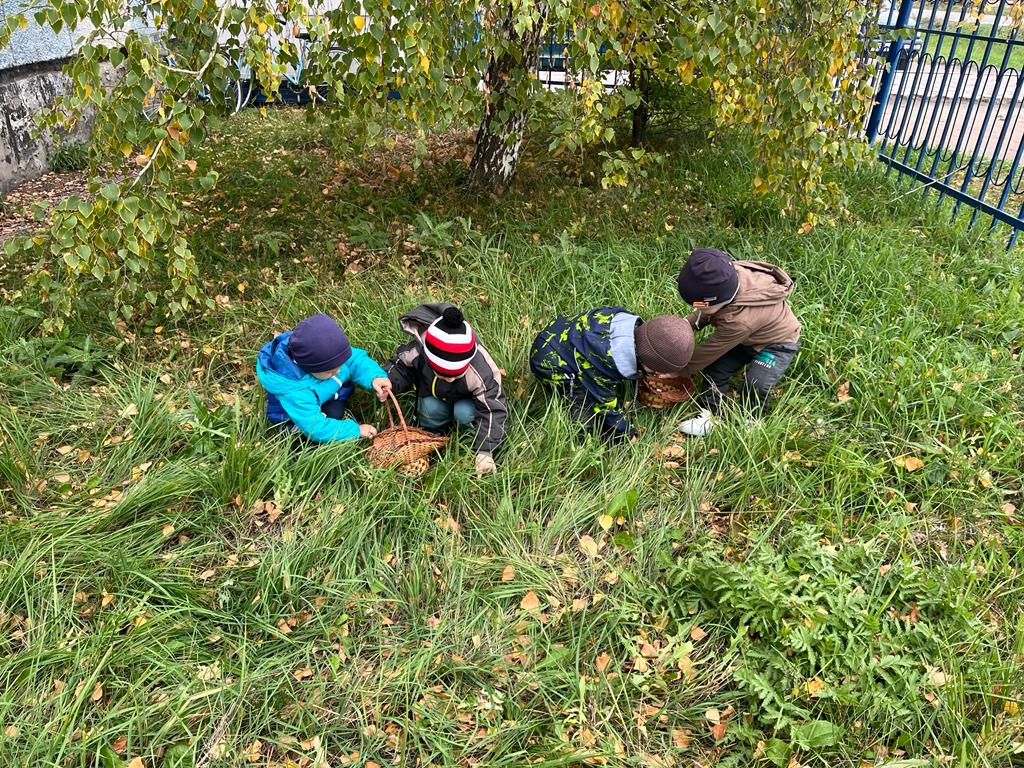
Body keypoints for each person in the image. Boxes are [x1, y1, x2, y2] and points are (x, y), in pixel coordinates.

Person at [675, 247, 801, 436]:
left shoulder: (739, 321)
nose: (697, 308)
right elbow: (706, 310)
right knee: (714, 370)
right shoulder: (726, 277)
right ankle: (710, 416)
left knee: (756, 384)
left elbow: (710, 351)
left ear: (719, 302)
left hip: (776, 344)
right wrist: (686, 324)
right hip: (745, 339)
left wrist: (678, 370)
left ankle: (752, 419)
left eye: (700, 306)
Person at [530, 308, 694, 442]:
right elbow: (605, 404)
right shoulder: (604, 363)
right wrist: (627, 433)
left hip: (562, 330)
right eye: (656, 371)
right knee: (583, 398)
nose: (658, 375)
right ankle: (580, 434)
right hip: (549, 361)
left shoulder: (629, 322)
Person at [385, 304, 507, 476]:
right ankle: (431, 437)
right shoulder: (420, 351)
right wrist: (389, 381)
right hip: (434, 396)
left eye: (456, 375)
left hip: (467, 402)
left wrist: (485, 450)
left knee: (463, 412)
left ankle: (468, 439)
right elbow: (400, 366)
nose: (449, 379)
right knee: (430, 407)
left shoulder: (481, 371)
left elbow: (493, 409)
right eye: (441, 374)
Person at [256, 313, 392, 442]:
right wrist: (356, 431)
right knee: (331, 418)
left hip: (324, 394)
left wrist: (375, 377)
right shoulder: (296, 392)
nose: (339, 370)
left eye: (340, 365)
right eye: (331, 371)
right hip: (297, 415)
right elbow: (316, 429)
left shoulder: (328, 354)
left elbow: (355, 361)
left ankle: (331, 400)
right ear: (309, 368)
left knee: (335, 410)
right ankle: (300, 434)